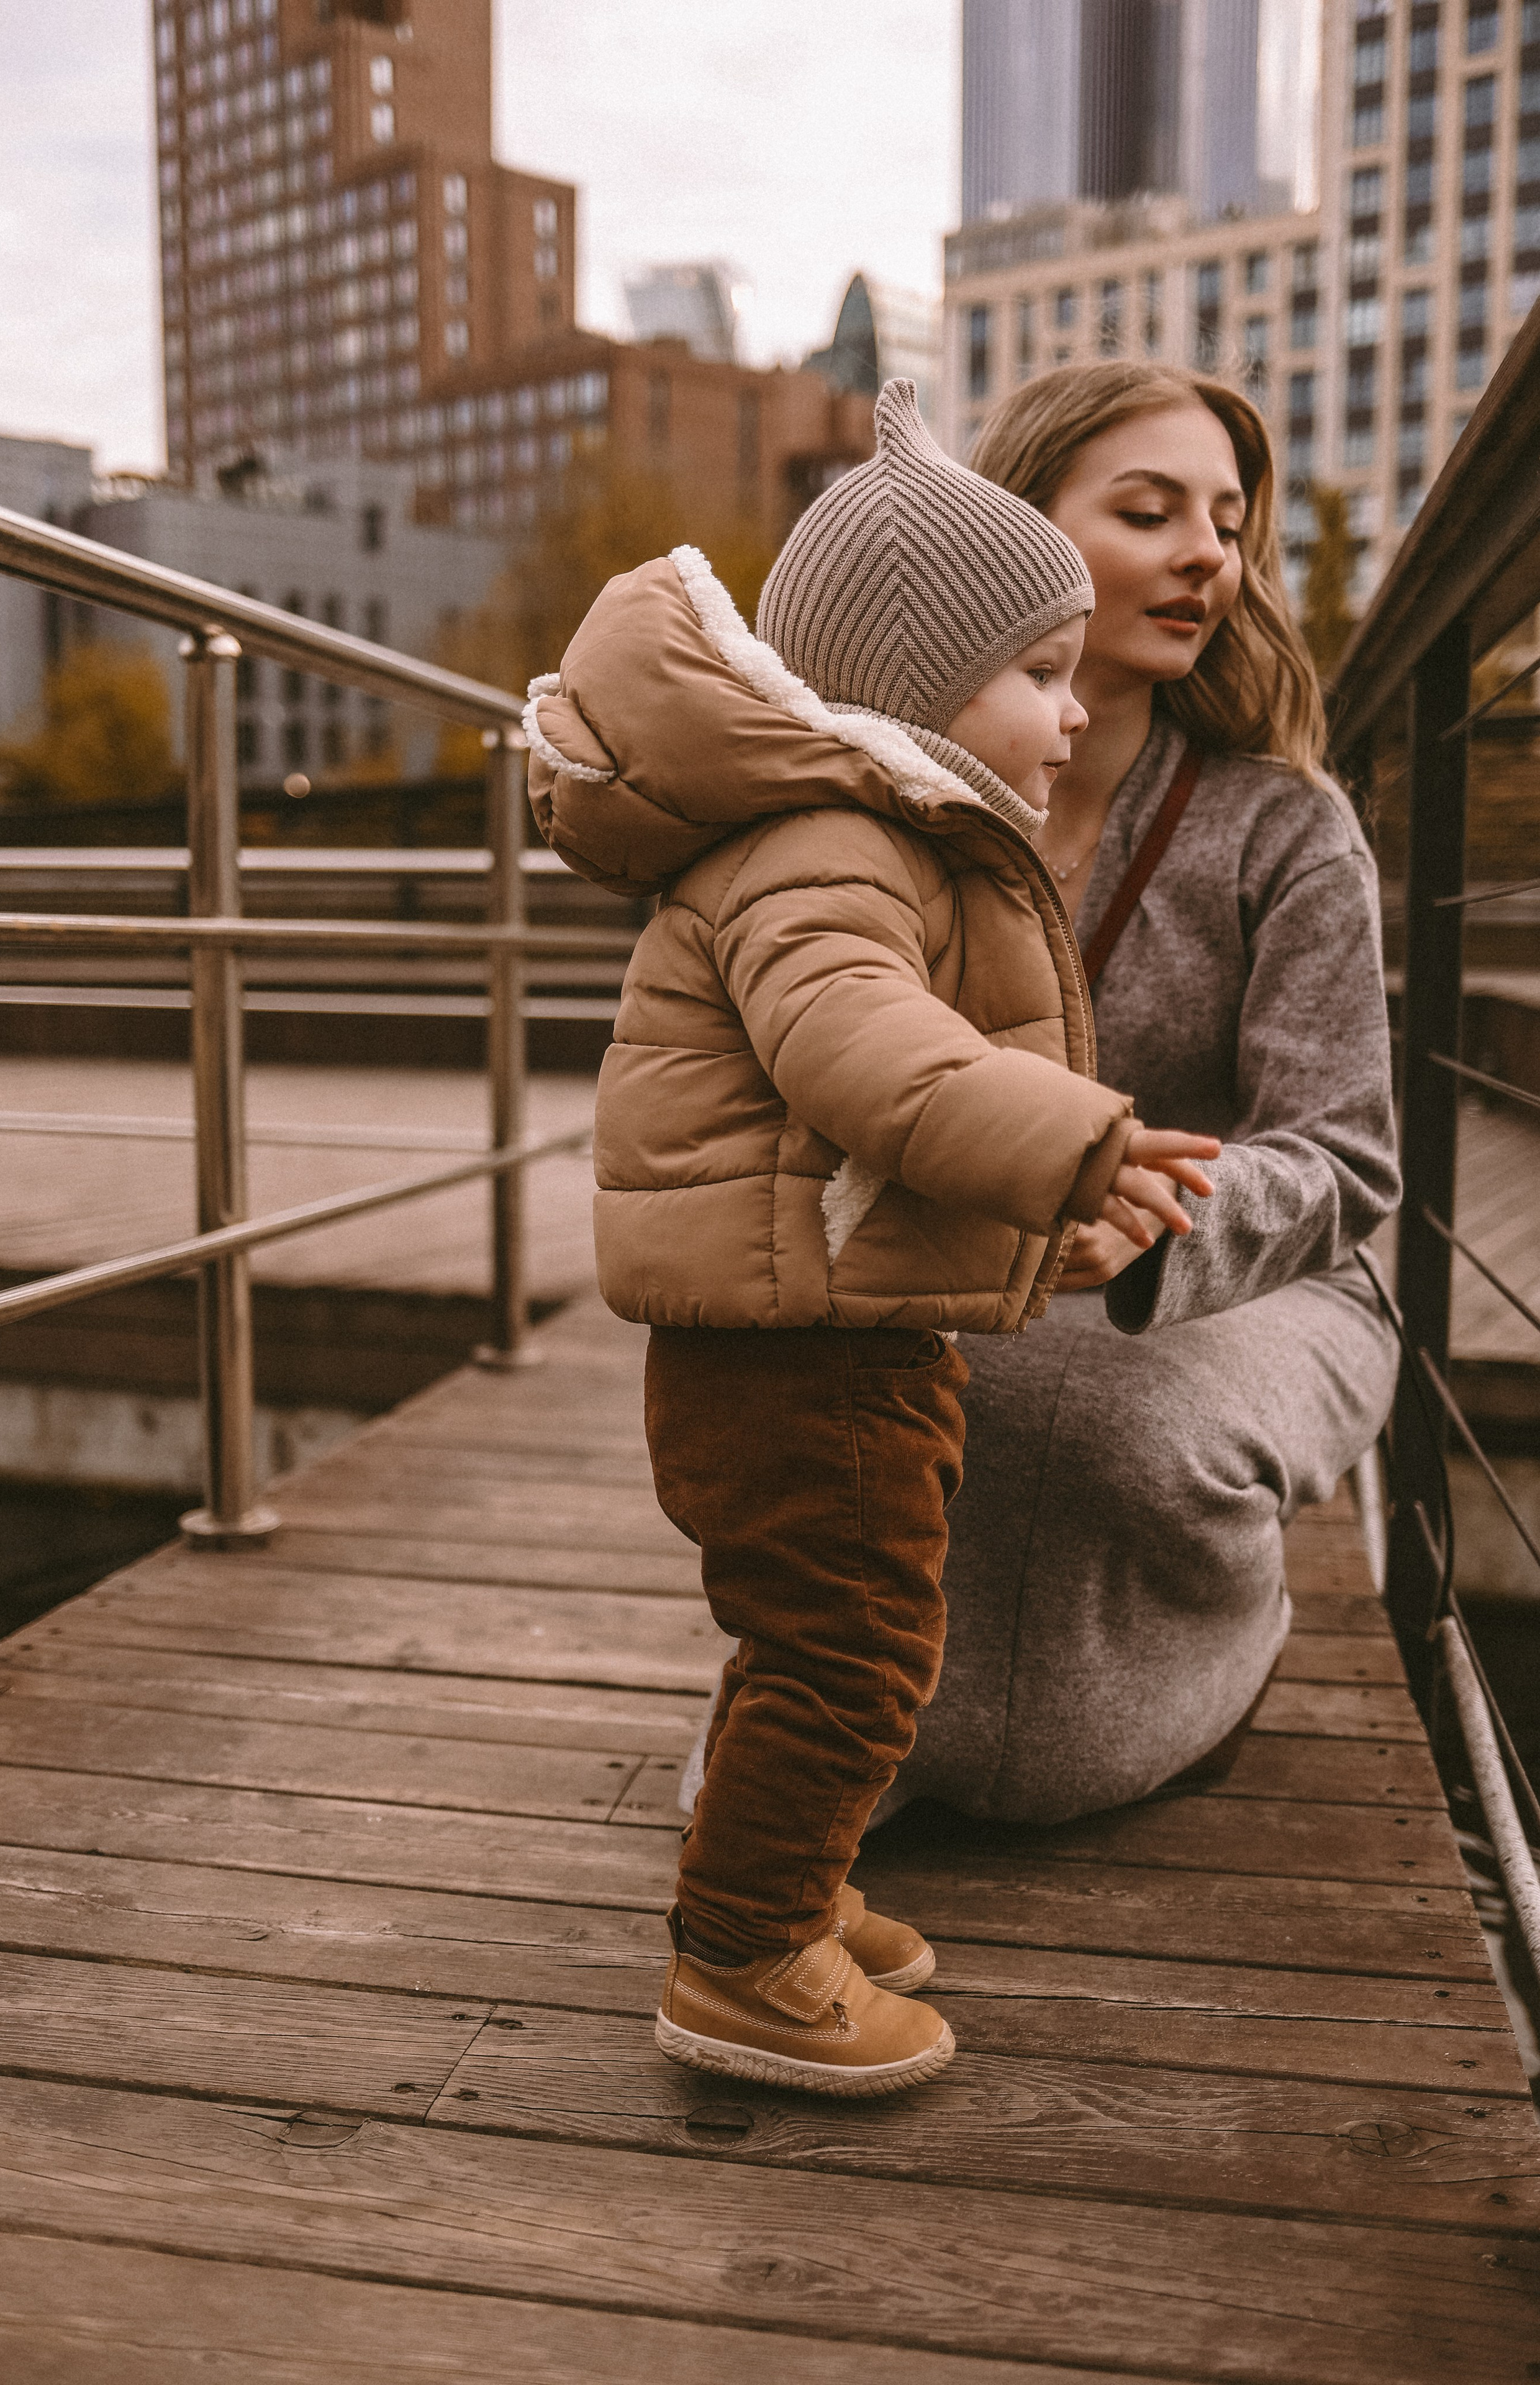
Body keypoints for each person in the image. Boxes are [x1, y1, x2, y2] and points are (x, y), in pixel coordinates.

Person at [523, 380, 1219, 2096]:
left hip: (825, 1328)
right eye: (1041, 675)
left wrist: (1039, 1211)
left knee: (849, 1634)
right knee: (851, 1645)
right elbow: (869, 1062)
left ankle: (794, 1886)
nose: (1073, 715)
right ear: (915, 690)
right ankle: (745, 1956)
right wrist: (1073, 1137)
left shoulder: (862, 834)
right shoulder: (831, 844)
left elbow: (865, 1127)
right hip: (799, 1362)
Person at [872, 361, 1402, 1832]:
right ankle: (846, 1723)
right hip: (955, 1265)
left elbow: (1346, 1163)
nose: (1206, 558)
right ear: (1013, 531)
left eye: (1228, 524)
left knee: (1094, 1426)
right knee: (841, 1410)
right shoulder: (898, 803)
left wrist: (1162, 1220)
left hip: (1267, 1280)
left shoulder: (1286, 827)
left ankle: (1219, 1657)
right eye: (1150, 510)